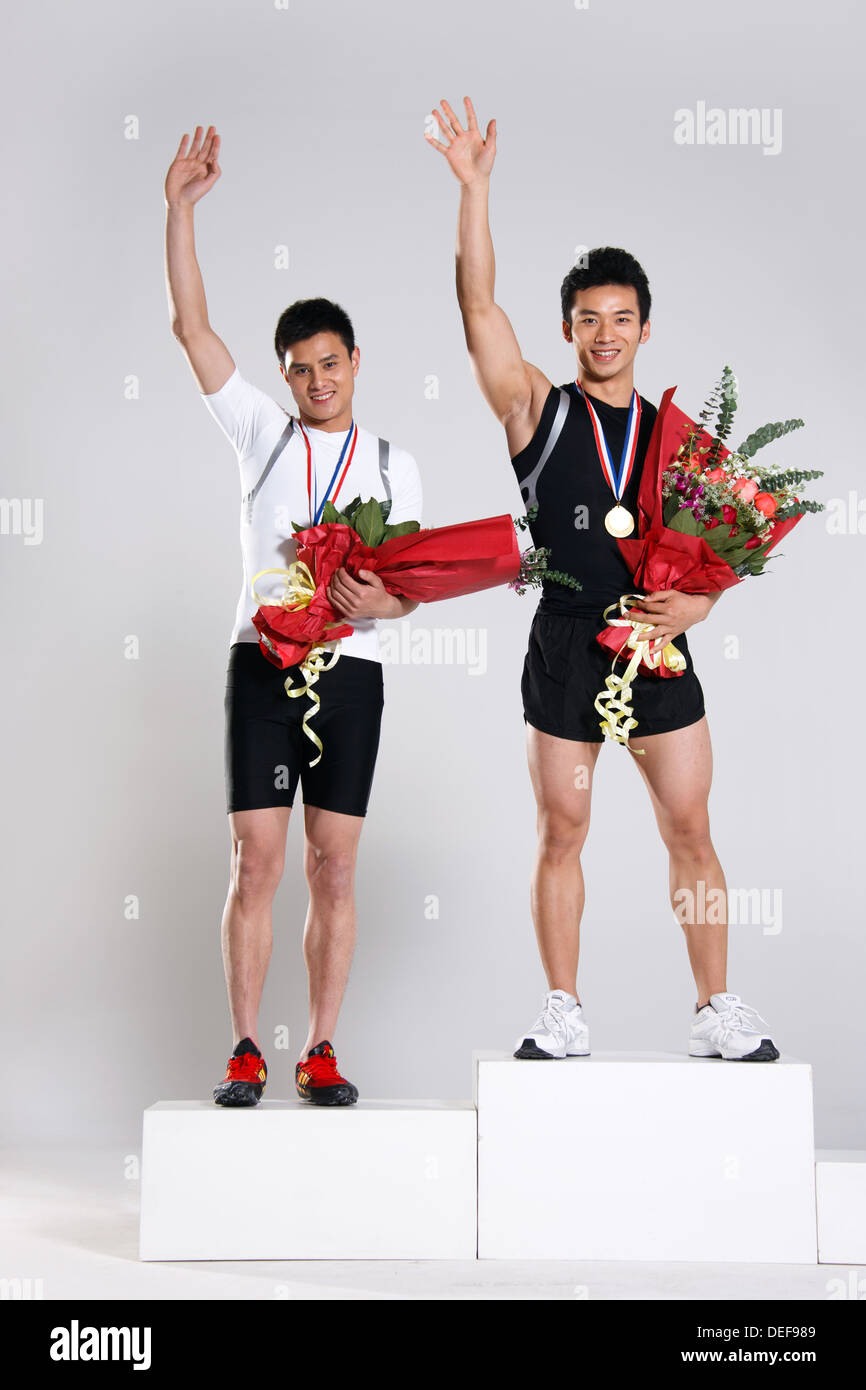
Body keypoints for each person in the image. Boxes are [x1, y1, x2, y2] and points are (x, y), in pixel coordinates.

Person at [426, 97, 779, 1063]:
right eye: (590, 320)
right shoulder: (535, 408)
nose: (607, 334)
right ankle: (563, 1008)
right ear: (571, 330)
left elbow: (738, 542)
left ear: (645, 329)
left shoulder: (674, 438)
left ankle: (714, 1009)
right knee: (562, 829)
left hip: (657, 646)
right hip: (568, 643)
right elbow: (476, 310)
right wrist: (474, 189)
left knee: (690, 829)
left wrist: (699, 602)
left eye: (623, 319)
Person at [164, 125, 423, 1106]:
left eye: (330, 364)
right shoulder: (261, 439)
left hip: (350, 674)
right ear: (283, 376)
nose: (317, 382)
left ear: (355, 360)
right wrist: (180, 209)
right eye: (299, 369)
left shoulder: (394, 465)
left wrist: (378, 601)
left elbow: (411, 587)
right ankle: (242, 1046)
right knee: (257, 852)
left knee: (335, 862)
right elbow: (192, 331)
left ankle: (319, 1048)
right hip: (258, 663)